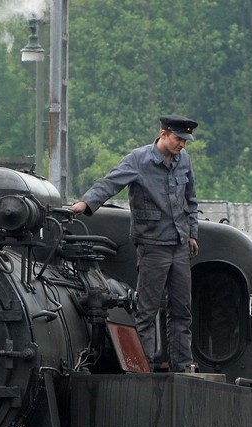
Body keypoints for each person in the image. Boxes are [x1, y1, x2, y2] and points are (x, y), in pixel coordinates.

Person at [68, 115, 199, 373]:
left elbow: (191, 200)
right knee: (147, 310)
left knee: (182, 310)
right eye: (178, 139)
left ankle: (182, 366)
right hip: (152, 245)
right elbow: (110, 183)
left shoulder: (184, 161)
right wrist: (85, 204)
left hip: (179, 244)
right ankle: (144, 366)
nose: (181, 145)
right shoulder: (138, 160)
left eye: (185, 141)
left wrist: (192, 233)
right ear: (163, 134)